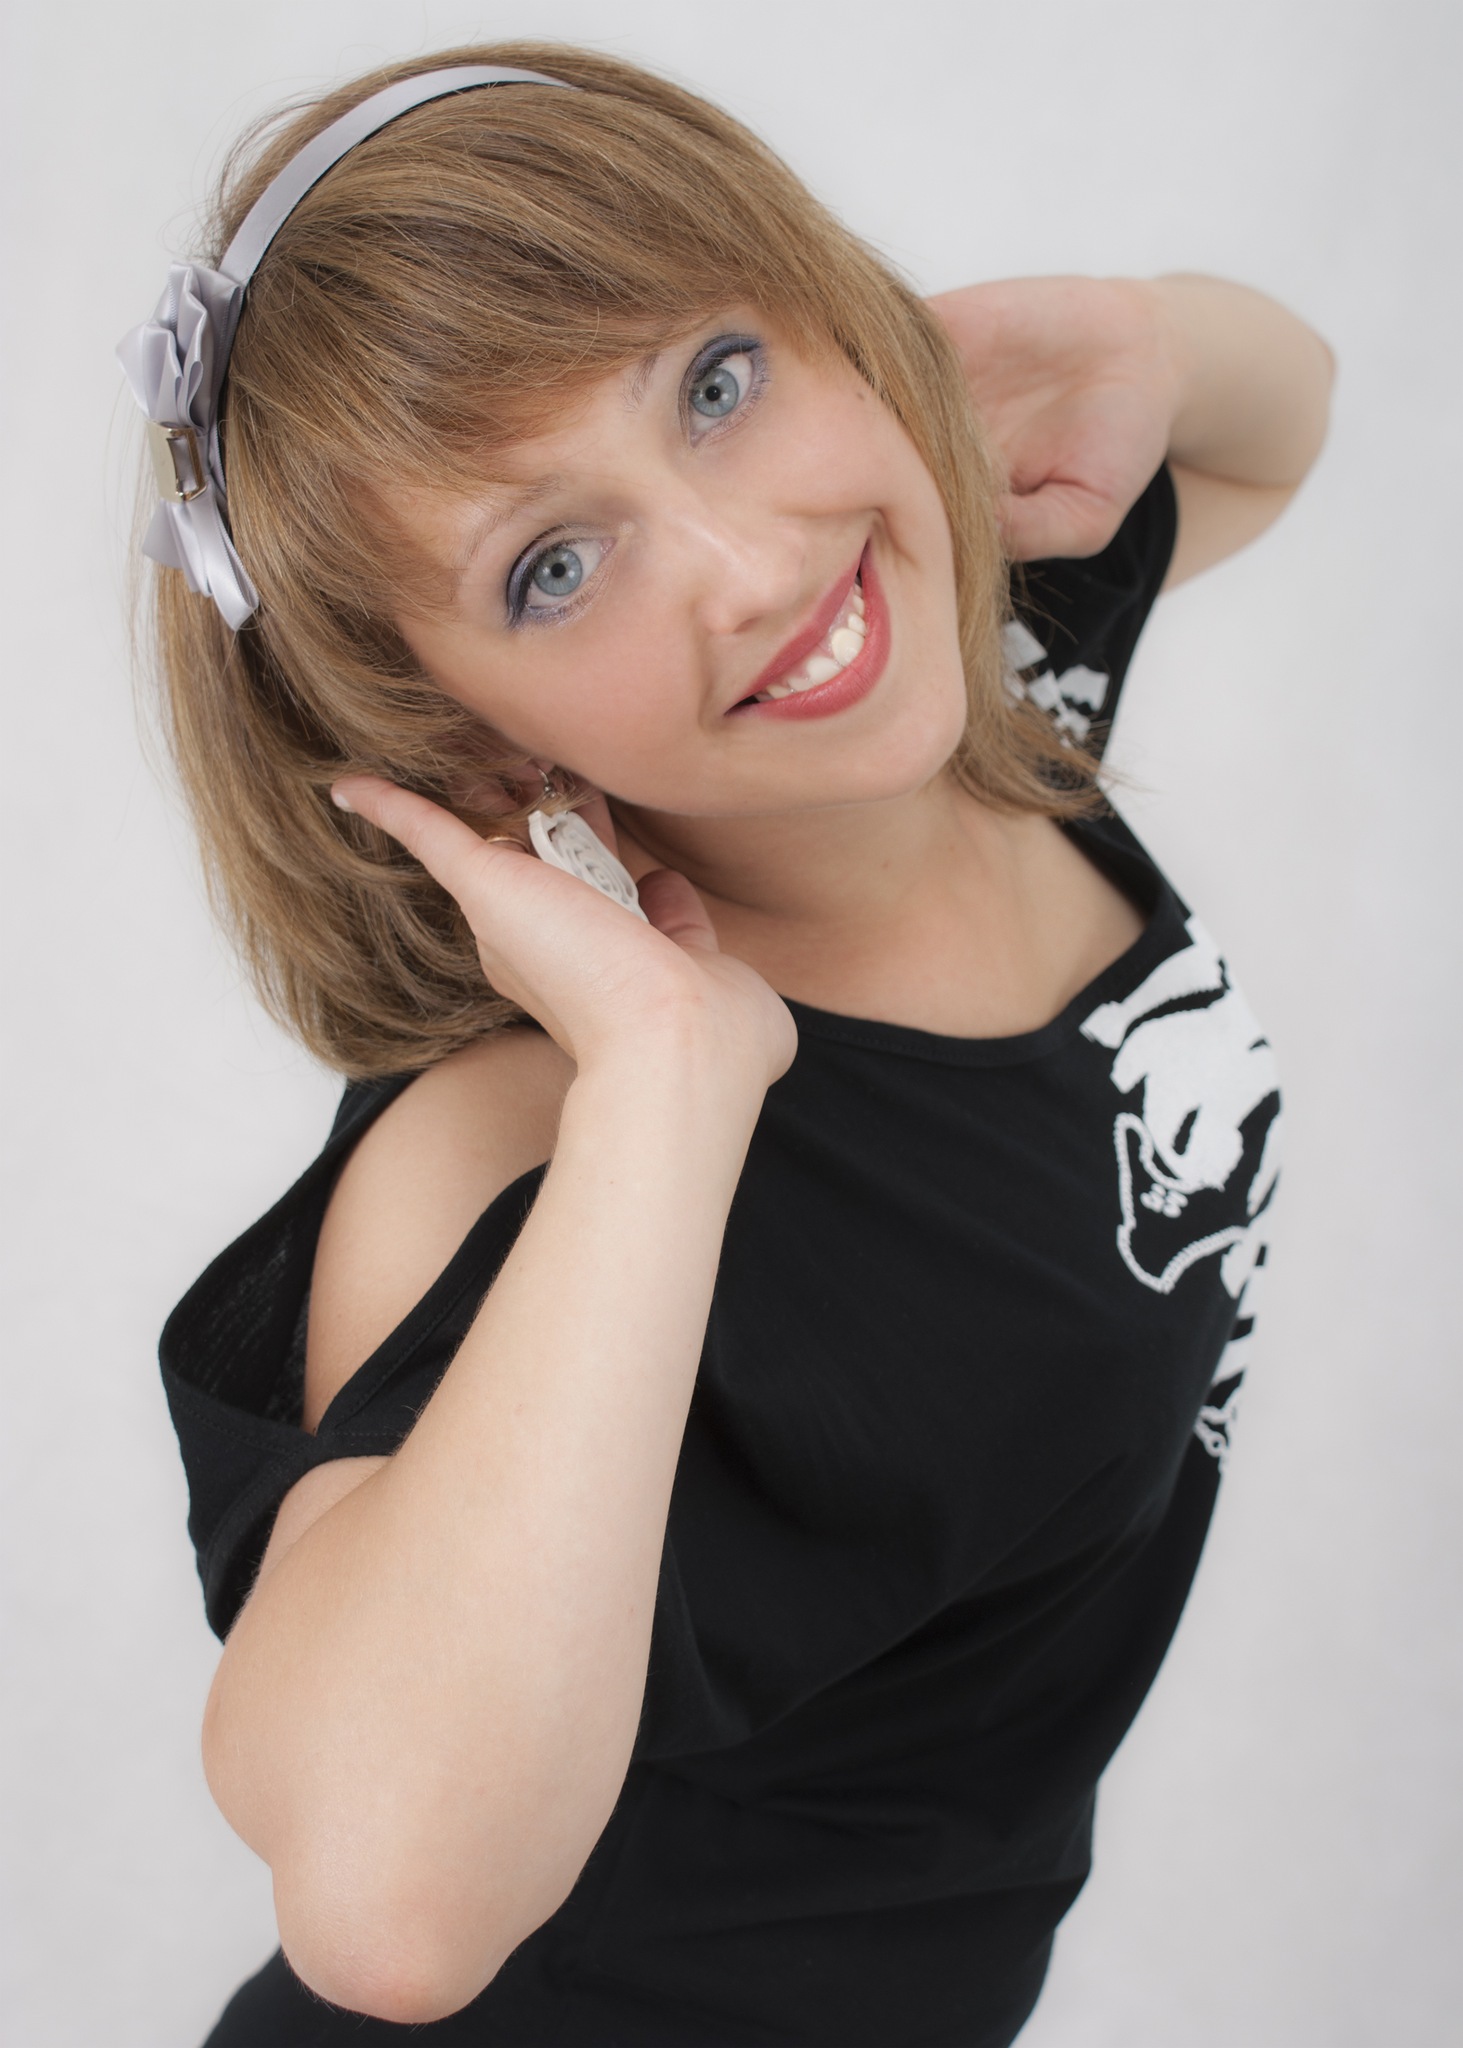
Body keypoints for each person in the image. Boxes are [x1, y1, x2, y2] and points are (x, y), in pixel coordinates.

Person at [118, 39, 1333, 2047]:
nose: (761, 567)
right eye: (554, 566)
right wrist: (669, 1091)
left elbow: (1276, 426)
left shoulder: (977, 680)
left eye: (715, 381)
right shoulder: (516, 1151)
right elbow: (388, 1908)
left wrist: (1142, 339)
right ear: (460, 736)